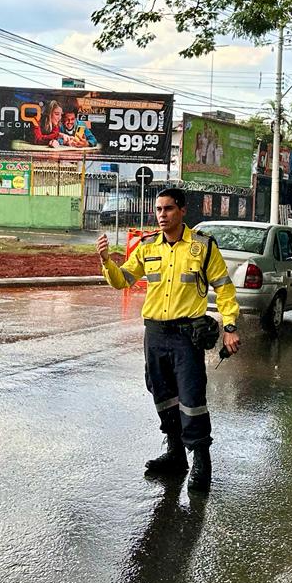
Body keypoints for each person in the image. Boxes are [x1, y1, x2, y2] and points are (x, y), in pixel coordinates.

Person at [96, 188, 240, 492]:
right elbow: (123, 280)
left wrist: (230, 326)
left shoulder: (203, 247)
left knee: (191, 398)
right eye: (159, 210)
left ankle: (201, 459)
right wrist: (107, 261)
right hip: (156, 333)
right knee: (161, 394)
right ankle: (176, 454)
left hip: (187, 334)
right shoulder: (147, 247)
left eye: (169, 209)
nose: (162, 215)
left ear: (183, 211)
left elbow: (224, 288)